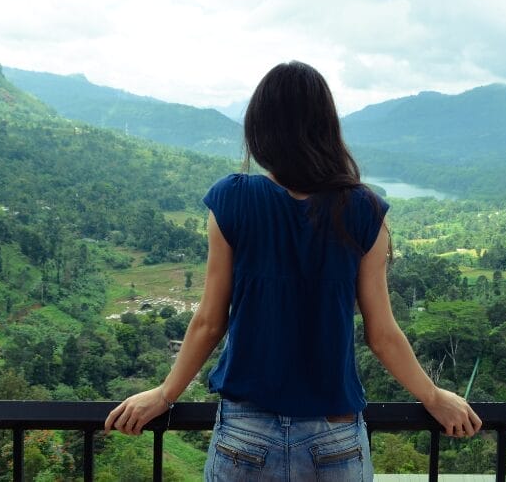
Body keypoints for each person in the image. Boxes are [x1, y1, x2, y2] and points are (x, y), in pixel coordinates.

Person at [104, 61, 481, 479]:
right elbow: (382, 334)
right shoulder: (363, 210)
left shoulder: (233, 200)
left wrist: (165, 394)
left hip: (246, 432)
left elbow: (210, 322)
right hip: (334, 436)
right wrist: (432, 396)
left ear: (260, 129)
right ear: (326, 127)